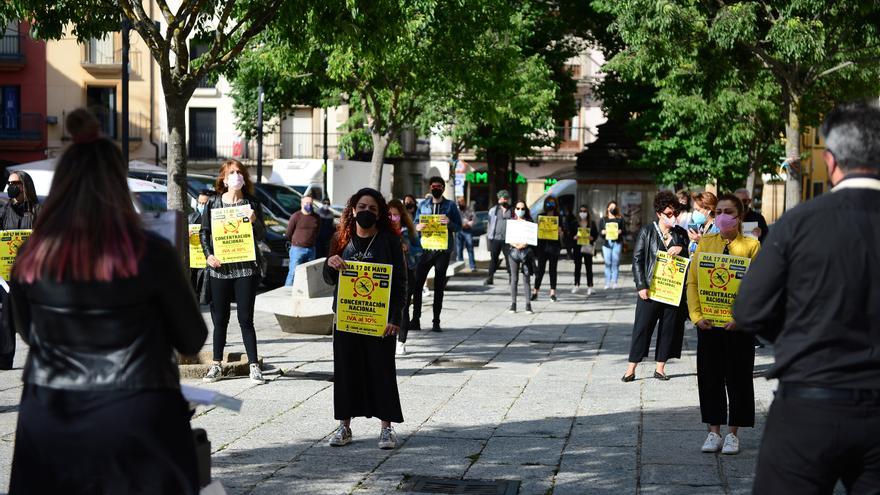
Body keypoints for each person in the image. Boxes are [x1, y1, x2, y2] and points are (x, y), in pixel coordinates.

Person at [8, 108, 208, 494]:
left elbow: (29, 334)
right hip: (136, 413)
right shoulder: (148, 251)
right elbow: (192, 338)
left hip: (50, 413)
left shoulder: (31, 256)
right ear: (117, 184)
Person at [734, 102, 880, 493]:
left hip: (811, 400)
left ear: (830, 161)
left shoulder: (799, 222)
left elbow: (750, 310)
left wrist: (800, 335)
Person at [324, 188, 407, 450]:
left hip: (380, 321)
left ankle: (387, 429)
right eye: (361, 207)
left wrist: (395, 318)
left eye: (372, 208)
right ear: (352, 210)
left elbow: (402, 284)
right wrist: (331, 263)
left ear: (380, 213)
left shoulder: (390, 242)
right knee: (346, 372)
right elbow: (329, 279)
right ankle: (344, 427)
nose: (366, 212)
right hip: (347, 319)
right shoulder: (341, 239)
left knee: (381, 371)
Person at [686, 194, 760, 456]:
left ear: (739, 217)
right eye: (718, 212)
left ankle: (732, 434)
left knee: (739, 378)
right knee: (709, 377)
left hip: (738, 327)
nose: (722, 217)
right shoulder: (705, 243)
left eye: (728, 212)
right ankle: (713, 432)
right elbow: (693, 282)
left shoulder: (751, 246)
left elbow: (757, 287)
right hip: (708, 324)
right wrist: (696, 316)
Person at [200, 159, 267, 384]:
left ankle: (254, 366)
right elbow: (204, 232)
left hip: (246, 268)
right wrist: (208, 255)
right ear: (223, 178)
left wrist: (255, 221)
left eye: (239, 172)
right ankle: (216, 365)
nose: (236, 176)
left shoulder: (252, 203)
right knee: (220, 319)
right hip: (220, 269)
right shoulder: (213, 203)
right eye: (231, 172)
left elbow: (261, 235)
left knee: (246, 318)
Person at [622, 191, 689, 383]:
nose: (673, 217)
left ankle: (660, 367)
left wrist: (682, 249)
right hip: (651, 290)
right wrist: (641, 285)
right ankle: (631, 368)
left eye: (675, 213)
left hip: (672, 291)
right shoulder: (647, 231)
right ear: (659, 213)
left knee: (668, 328)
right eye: (668, 213)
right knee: (642, 328)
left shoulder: (681, 234)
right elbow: (637, 260)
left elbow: (689, 261)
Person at [0, 169, 40, 370]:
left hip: (34, 274)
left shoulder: (38, 211)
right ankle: (5, 360)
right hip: (7, 275)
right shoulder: (3, 210)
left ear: (25, 186)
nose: (10, 187)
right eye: (9, 183)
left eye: (15, 183)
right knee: (6, 318)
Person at [411, 177, 462, 332]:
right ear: (429, 188)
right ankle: (416, 319)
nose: (436, 189)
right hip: (425, 250)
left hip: (442, 251)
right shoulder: (423, 205)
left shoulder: (451, 206)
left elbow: (459, 227)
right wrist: (417, 226)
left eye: (439, 186)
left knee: (439, 286)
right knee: (417, 285)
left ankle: (436, 321)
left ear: (443, 188)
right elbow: (414, 224)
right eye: (433, 186)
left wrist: (449, 223)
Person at [388, 198, 420, 355]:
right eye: (389, 215)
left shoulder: (408, 231)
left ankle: (401, 341)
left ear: (401, 216)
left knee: (404, 307)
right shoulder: (382, 233)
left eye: (395, 215)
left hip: (407, 274)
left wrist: (408, 249)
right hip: (388, 275)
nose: (392, 218)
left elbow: (420, 249)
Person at [532, 195, 563, 302]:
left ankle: (552, 293)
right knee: (540, 270)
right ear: (545, 204)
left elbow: (563, 232)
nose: (551, 205)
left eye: (553, 203)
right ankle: (535, 291)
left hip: (554, 246)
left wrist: (560, 231)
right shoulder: (541, 216)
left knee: (552, 270)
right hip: (542, 246)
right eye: (549, 203)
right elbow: (537, 231)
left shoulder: (559, 217)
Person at [506, 201, 535, 314]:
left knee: (526, 279)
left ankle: (528, 305)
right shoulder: (512, 223)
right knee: (514, 279)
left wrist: (524, 244)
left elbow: (532, 238)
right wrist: (516, 245)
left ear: (525, 210)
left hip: (526, 253)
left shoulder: (529, 223)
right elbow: (508, 238)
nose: (520, 210)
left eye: (522, 208)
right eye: (518, 208)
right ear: (515, 210)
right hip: (513, 252)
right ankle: (513, 304)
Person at [285, 194, 320, 286]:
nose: (309, 205)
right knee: (293, 273)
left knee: (309, 274)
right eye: (307, 203)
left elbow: (318, 231)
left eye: (311, 203)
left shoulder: (316, 217)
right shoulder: (295, 216)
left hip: (311, 249)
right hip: (297, 249)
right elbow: (288, 233)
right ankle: (287, 293)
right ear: (302, 204)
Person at [188, 189, 212, 304]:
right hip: (194, 263)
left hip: (208, 263)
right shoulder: (191, 218)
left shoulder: (216, 219)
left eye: (205, 203)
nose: (201, 206)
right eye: (200, 203)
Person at [485, 189, 512, 285]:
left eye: (505, 198)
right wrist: (489, 238)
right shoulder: (493, 210)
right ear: (498, 199)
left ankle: (511, 278)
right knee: (493, 259)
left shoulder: (512, 211)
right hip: (495, 238)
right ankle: (490, 278)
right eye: (502, 198)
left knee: (509, 259)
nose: (504, 200)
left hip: (508, 239)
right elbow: (489, 224)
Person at [571, 205, 599, 296]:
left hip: (588, 247)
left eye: (585, 211)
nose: (583, 213)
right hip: (577, 247)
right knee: (577, 267)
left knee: (589, 267)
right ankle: (576, 284)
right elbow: (570, 234)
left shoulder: (592, 223)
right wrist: (574, 237)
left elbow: (595, 234)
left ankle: (590, 286)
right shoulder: (575, 223)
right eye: (581, 211)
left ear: (588, 213)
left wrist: (592, 238)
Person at [599, 200, 626, 289]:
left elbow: (625, 231)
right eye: (611, 207)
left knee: (615, 262)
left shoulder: (620, 219)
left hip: (617, 242)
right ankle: (607, 282)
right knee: (607, 262)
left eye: (614, 207)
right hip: (606, 243)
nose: (612, 209)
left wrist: (620, 231)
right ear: (607, 208)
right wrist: (603, 232)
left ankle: (615, 281)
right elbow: (600, 232)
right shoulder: (603, 219)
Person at [456, 197, 476, 271]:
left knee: (470, 248)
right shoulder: (457, 210)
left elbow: (473, 218)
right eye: (459, 202)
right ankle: (460, 266)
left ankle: (472, 266)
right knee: (459, 249)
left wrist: (469, 223)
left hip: (468, 230)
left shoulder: (469, 209)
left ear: (464, 202)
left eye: (461, 201)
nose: (460, 203)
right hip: (459, 230)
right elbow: (454, 219)